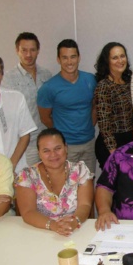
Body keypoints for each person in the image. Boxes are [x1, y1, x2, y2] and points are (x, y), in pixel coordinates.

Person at [15, 128, 94, 236]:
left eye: (58, 148)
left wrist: (74, 222)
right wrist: (53, 225)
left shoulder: (80, 170)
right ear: (39, 153)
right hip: (40, 232)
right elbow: (28, 212)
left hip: (75, 230)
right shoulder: (27, 176)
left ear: (66, 148)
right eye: (46, 150)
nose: (53, 154)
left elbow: (85, 205)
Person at [38, 39, 97, 174]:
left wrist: (89, 125)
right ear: (58, 60)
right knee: (67, 187)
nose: (69, 62)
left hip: (88, 143)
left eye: (73, 57)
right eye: (64, 57)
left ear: (79, 57)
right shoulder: (48, 88)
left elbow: (95, 107)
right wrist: (62, 134)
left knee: (87, 183)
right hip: (65, 147)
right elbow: (45, 117)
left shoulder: (90, 80)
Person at [3, 32, 53, 167]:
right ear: (17, 51)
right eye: (24, 50)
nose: (28, 55)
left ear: (38, 51)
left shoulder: (47, 75)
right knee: (30, 182)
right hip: (26, 142)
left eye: (32, 50)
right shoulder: (7, 79)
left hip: (48, 140)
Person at [94, 42, 133, 169]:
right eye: (115, 57)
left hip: (130, 140)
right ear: (107, 61)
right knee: (114, 185)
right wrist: (114, 152)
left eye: (122, 56)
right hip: (111, 144)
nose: (120, 60)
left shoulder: (129, 81)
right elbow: (104, 123)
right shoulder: (103, 86)